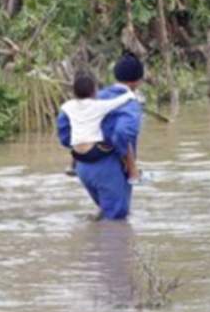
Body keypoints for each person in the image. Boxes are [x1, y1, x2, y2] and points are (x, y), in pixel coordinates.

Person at [57, 52, 145, 220]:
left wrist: (74, 144)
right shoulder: (129, 102)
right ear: (138, 81)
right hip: (108, 168)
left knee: (106, 215)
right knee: (117, 222)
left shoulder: (96, 96)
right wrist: (122, 156)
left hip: (83, 167)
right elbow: (122, 132)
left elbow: (64, 123)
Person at [61, 72, 139, 183]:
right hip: (94, 150)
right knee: (124, 137)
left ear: (74, 93)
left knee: (78, 134)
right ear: (94, 92)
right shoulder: (98, 106)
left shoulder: (67, 106)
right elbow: (117, 102)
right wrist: (131, 95)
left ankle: (71, 166)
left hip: (77, 153)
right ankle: (133, 173)